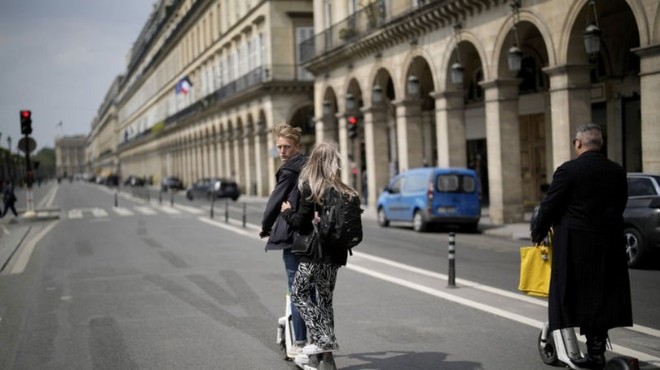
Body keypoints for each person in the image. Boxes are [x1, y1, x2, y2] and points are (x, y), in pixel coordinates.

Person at [531, 123, 632, 369]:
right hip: (608, 247)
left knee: (569, 298)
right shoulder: (618, 172)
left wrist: (538, 231)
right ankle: (596, 352)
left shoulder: (568, 171)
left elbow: (550, 205)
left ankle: (571, 349)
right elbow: (620, 205)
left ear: (578, 143)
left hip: (575, 247)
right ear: (601, 143)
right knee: (601, 299)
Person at [280, 140, 358, 356]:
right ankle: (328, 343)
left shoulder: (311, 187)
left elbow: (300, 223)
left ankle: (323, 338)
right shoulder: (343, 189)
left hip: (315, 252)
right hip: (337, 252)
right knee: (325, 299)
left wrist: (287, 211)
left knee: (298, 294)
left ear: (314, 161)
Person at [259, 122, 308, 355]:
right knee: (311, 290)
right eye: (279, 147)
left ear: (296, 146)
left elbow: (275, 200)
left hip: (293, 234)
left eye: (286, 147)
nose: (282, 152)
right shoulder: (310, 165)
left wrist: (265, 226)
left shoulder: (289, 170)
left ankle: (299, 342)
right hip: (312, 234)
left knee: (296, 288)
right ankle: (316, 338)